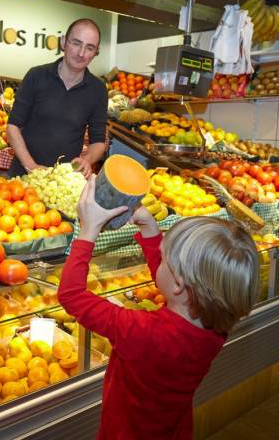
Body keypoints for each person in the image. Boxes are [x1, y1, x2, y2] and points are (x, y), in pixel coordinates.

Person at [58, 176, 260, 439]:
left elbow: (72, 295)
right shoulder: (215, 327)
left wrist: (87, 232)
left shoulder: (142, 331)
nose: (158, 264)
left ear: (178, 284)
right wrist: (151, 231)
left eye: (163, 259)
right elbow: (173, 285)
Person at [6, 18, 108, 178]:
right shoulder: (36, 76)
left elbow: (98, 141)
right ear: (63, 42)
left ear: (96, 52)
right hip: (22, 176)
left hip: (63, 181)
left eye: (90, 48)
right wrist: (31, 166)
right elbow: (13, 126)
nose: (81, 53)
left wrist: (87, 159)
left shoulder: (98, 90)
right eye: (76, 43)